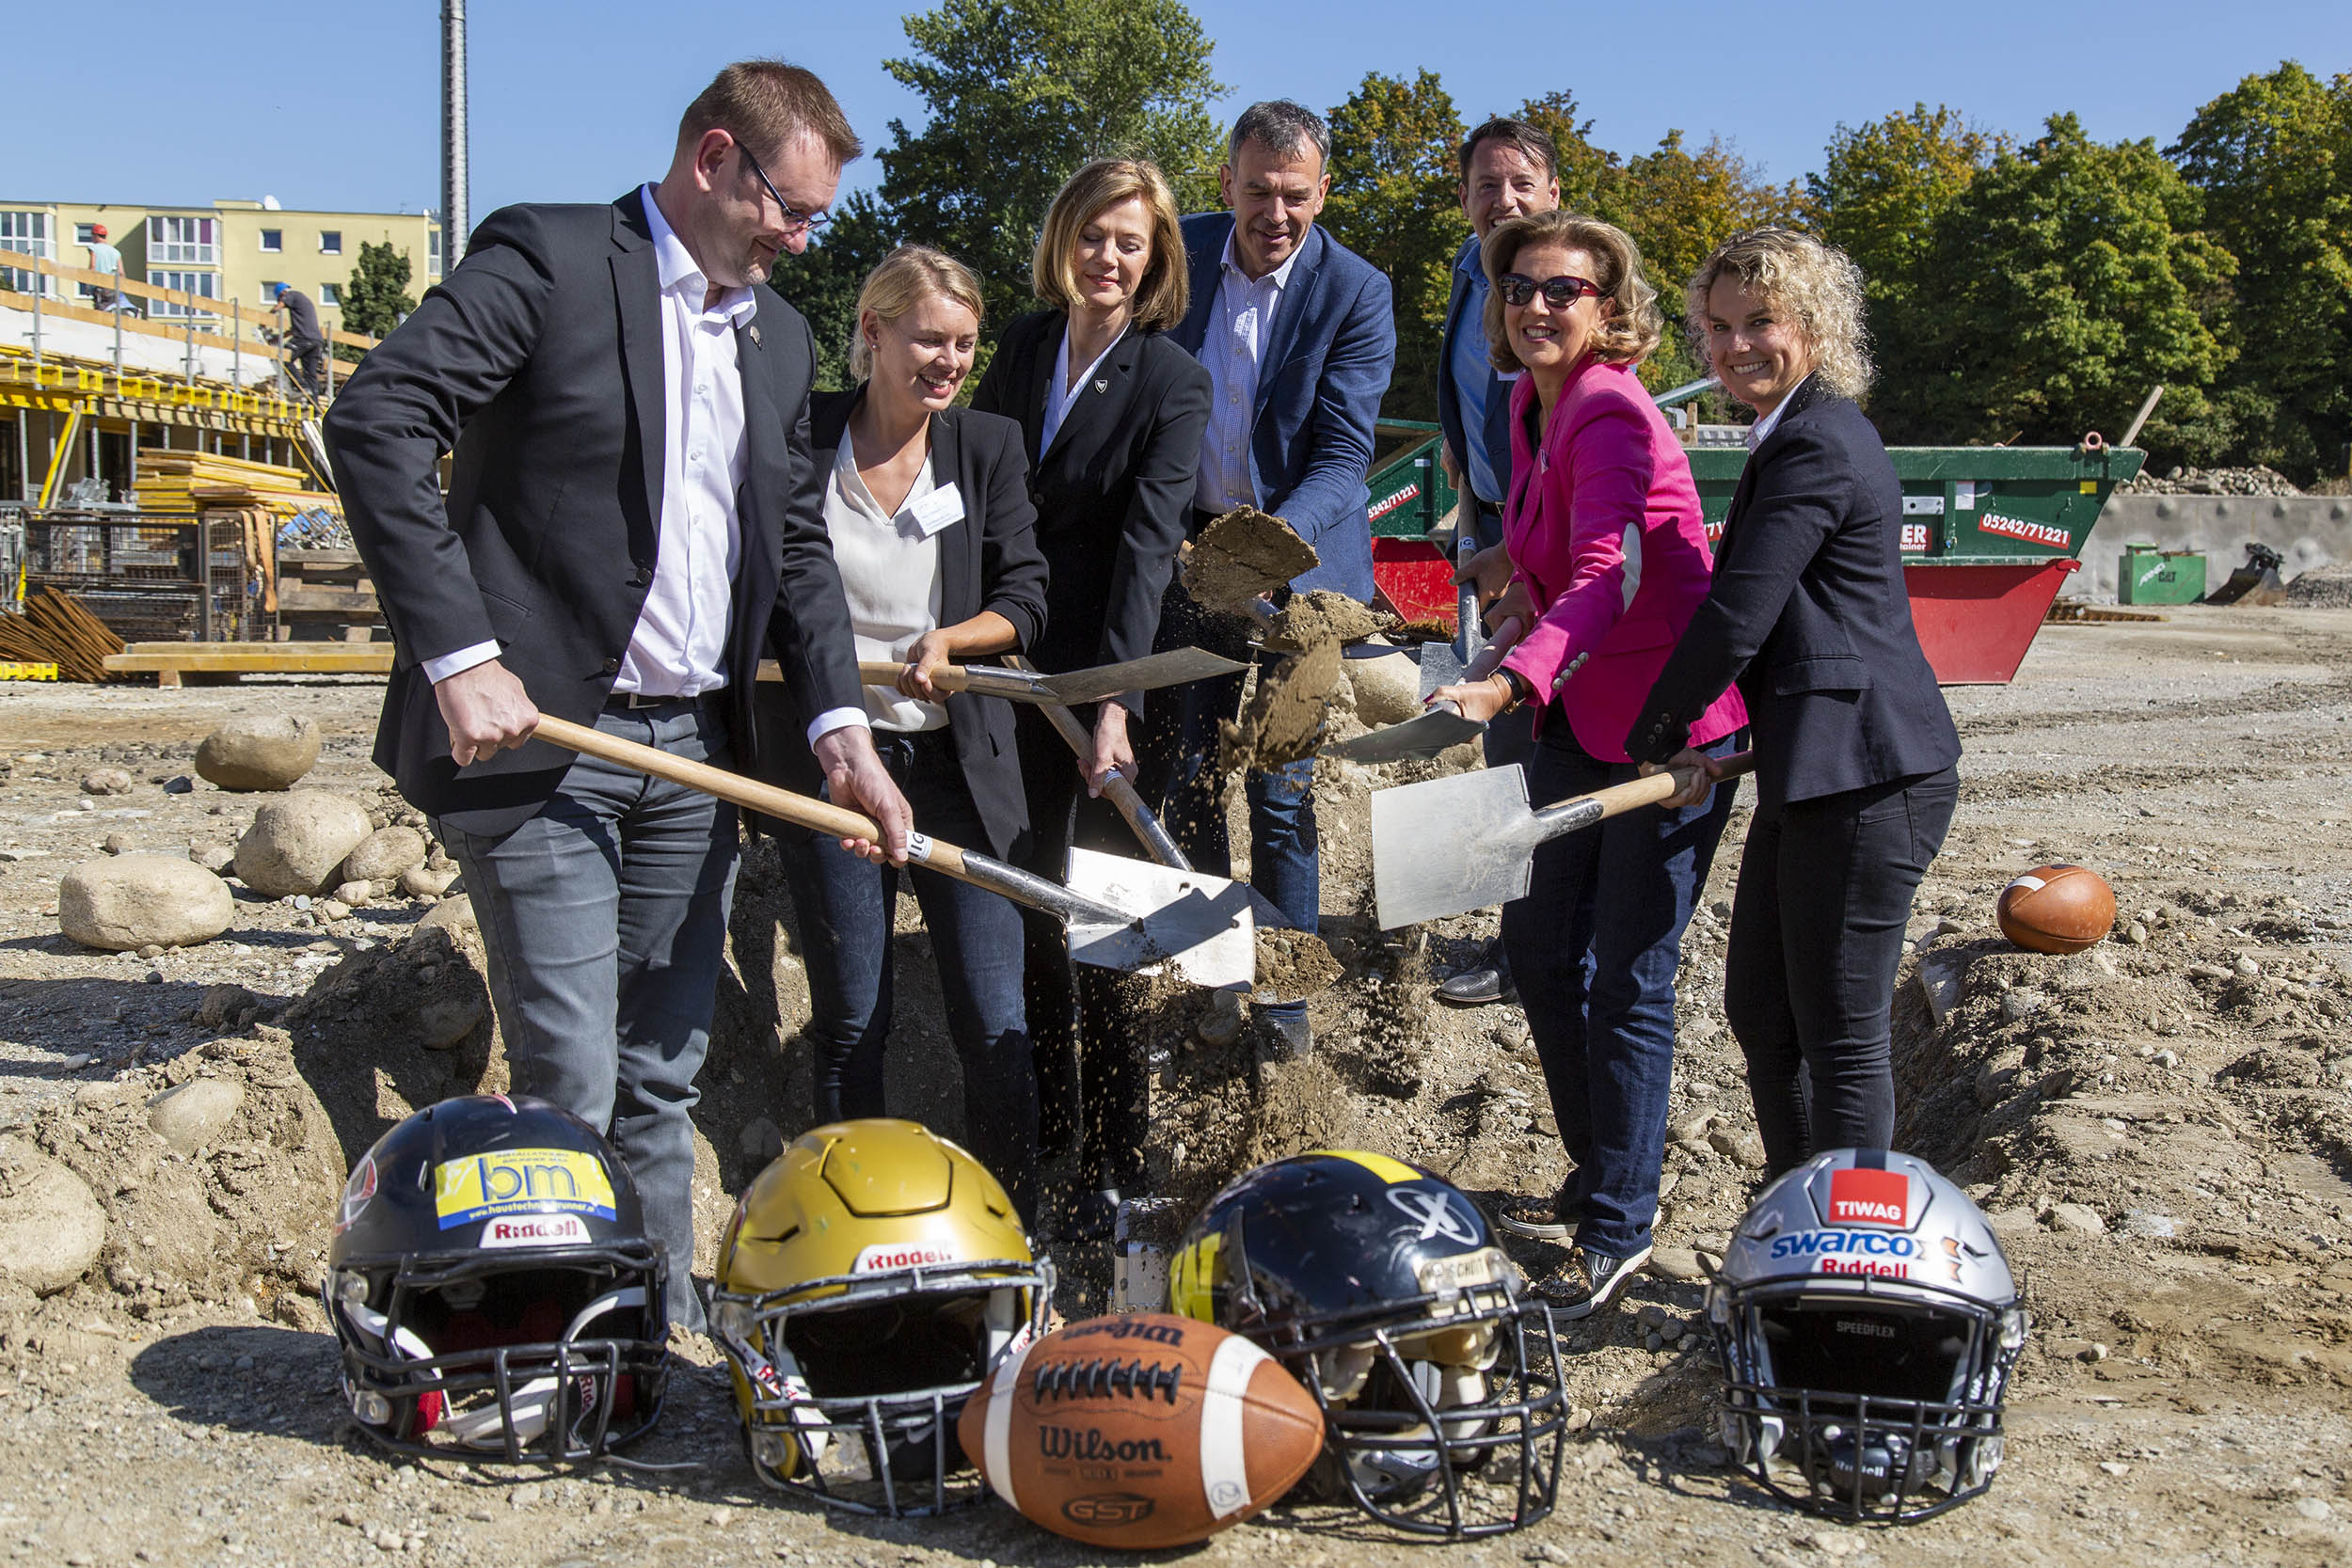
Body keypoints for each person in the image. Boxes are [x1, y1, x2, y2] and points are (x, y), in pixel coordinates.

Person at [325, 60, 914, 1333]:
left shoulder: (781, 337)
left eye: (816, 218)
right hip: (545, 746)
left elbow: (797, 557)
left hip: (695, 749)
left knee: (662, 1073)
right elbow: (376, 418)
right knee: (574, 1071)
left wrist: (840, 732)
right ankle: (556, 1336)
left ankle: (655, 1339)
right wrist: (459, 651)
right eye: (790, 208)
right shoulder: (549, 263)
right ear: (713, 159)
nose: (803, 239)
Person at [1427, 212, 1747, 1315]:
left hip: (1667, 733)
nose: (1535, 307)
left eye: (1564, 291)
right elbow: (1548, 550)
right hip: (1577, 717)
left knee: (1627, 975)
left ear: (1609, 310)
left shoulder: (1609, 407)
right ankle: (1596, 1170)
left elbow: (1610, 576)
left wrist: (1506, 681)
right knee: (1534, 944)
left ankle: (1619, 1227)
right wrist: (1509, 590)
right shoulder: (1527, 402)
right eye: (1519, 288)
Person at [1628, 226, 1961, 1177]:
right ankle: (1793, 1205)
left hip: (1872, 772)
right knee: (1761, 1010)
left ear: (1813, 325)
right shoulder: (1791, 435)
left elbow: (1738, 615)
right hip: (1816, 765)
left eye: (1761, 321)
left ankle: (1849, 1253)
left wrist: (1653, 739)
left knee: (1841, 1032)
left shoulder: (1816, 441)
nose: (1737, 346)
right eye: (1719, 327)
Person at [754, 245, 1051, 1225]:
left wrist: (956, 638)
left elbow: (1027, 598)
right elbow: (770, 588)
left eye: (964, 342)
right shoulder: (803, 441)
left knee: (993, 1014)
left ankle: (1013, 1225)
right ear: (872, 329)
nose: (949, 360)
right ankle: (852, 1226)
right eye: (929, 337)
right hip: (836, 764)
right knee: (850, 1016)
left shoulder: (986, 447)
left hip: (960, 768)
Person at [970, 157, 1212, 1238]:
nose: (1108, 259)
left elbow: (1148, 548)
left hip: (1110, 669)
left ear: (1156, 258)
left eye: (1131, 243)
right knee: (1028, 901)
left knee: (1105, 920)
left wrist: (1113, 701)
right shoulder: (1019, 346)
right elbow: (969, 486)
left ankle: (1120, 1153)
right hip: (1009, 663)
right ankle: (1049, 1129)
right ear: (1062, 237)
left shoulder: (1171, 380)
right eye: (1092, 236)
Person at [1156, 99, 1396, 1059]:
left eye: (1296, 196)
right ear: (1227, 184)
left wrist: (1262, 549)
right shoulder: (1175, 256)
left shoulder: (1355, 290)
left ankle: (1286, 1004)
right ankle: (1216, 977)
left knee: (1283, 794)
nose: (1275, 214)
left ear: (1322, 191)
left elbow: (1342, 458)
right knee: (1187, 778)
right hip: (1185, 558)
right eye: (1257, 191)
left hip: (1297, 566)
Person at [1433, 116, 1562, 1009]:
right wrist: (1470, 508)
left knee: (1532, 742)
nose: (1502, 200)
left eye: (1520, 184)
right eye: (1485, 185)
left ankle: (1532, 955)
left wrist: (1513, 553)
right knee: (1504, 746)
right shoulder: (1467, 274)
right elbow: (1465, 402)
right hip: (1495, 530)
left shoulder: (1564, 284)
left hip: (1546, 548)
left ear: (1552, 194)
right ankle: (1518, 931)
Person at [277, 282, 326, 399]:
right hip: (316, 341)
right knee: (310, 374)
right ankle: (315, 408)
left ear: (282, 293)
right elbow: (293, 330)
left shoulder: (292, 295)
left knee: (283, 357)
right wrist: (278, 337)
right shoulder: (301, 304)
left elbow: (279, 305)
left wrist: (264, 320)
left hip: (304, 338)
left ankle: (301, 386)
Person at [86, 224, 123, 311]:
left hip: (100, 287)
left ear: (95, 236)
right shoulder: (116, 252)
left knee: (100, 311)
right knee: (111, 310)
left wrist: (88, 284)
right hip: (113, 287)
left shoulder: (94, 249)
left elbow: (92, 266)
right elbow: (121, 272)